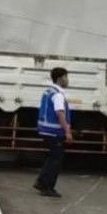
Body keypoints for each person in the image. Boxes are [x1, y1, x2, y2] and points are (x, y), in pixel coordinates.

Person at [34, 67, 72, 198]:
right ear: (61, 78)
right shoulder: (58, 95)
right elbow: (60, 113)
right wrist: (67, 131)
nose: (68, 80)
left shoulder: (48, 91)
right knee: (56, 160)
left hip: (45, 130)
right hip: (54, 132)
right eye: (67, 77)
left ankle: (40, 182)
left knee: (51, 158)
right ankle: (47, 187)